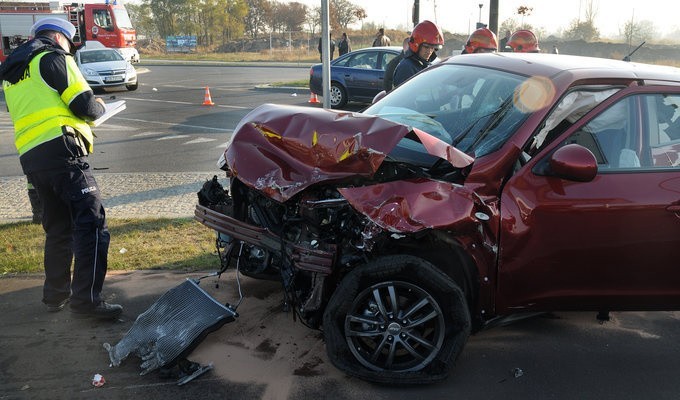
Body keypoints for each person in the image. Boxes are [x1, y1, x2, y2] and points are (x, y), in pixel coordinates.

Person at [0, 17, 123, 319]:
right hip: (63, 152)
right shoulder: (53, 58)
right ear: (58, 37)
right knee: (92, 223)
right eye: (70, 43)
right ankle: (87, 303)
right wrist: (100, 106)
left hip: (32, 157)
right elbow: (87, 106)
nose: (70, 48)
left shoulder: (15, 71)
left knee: (58, 228)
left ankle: (55, 296)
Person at [392, 20, 444, 88]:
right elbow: (405, 97)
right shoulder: (406, 68)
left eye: (432, 48)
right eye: (426, 47)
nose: (429, 51)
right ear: (416, 45)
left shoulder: (427, 65)